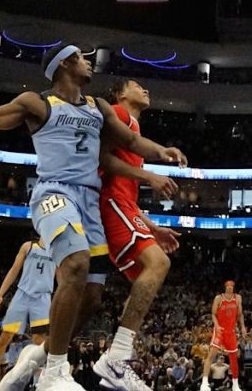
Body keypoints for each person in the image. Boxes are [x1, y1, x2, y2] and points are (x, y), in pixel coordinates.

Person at [0, 43, 185, 391]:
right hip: (54, 192)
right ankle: (54, 373)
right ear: (63, 65)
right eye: (80, 57)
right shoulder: (37, 102)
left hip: (89, 201)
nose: (89, 62)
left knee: (90, 297)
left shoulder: (98, 107)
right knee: (75, 264)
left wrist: (161, 151)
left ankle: (39, 357)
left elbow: (132, 142)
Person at [97, 79, 183, 390]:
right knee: (158, 264)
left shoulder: (131, 124)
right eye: (136, 85)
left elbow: (130, 200)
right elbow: (102, 158)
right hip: (110, 202)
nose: (146, 89)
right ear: (120, 94)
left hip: (124, 206)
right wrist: (149, 174)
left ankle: (114, 368)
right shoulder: (118, 113)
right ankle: (116, 357)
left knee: (145, 280)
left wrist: (153, 227)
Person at [0, 239, 53, 391]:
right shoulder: (28, 246)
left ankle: (36, 383)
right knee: (4, 337)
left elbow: (62, 277)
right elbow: (13, 270)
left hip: (42, 298)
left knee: (39, 341)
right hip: (22, 295)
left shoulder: (58, 248)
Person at [200, 281, 247, 391]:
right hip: (220, 330)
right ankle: (204, 383)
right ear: (225, 287)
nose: (230, 288)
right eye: (228, 286)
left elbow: (240, 315)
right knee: (211, 355)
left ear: (234, 287)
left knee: (233, 358)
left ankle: (235, 385)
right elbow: (213, 314)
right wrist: (216, 325)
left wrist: (243, 326)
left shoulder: (238, 298)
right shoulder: (219, 298)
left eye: (231, 286)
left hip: (231, 331)